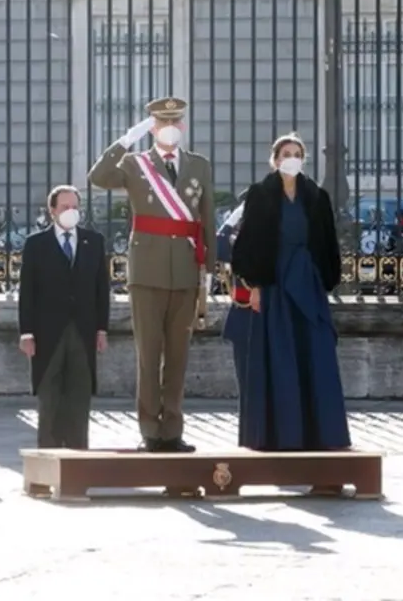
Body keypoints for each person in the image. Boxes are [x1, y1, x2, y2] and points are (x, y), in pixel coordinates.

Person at [87, 96, 216, 452]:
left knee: (178, 356)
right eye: (161, 123)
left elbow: (207, 218)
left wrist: (208, 270)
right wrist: (127, 139)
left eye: (174, 122)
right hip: (146, 272)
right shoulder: (134, 164)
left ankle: (172, 428)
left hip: (186, 270)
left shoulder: (199, 166)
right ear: (153, 129)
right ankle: (149, 429)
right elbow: (97, 177)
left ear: (183, 126)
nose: (169, 128)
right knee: (149, 355)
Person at [231, 134, 350, 473]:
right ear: (275, 158)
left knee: (315, 352)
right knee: (278, 355)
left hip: (307, 283)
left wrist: (322, 279)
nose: (292, 158)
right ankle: (277, 434)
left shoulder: (317, 196)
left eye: (297, 154)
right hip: (273, 284)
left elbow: (329, 244)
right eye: (286, 153)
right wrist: (253, 284)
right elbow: (247, 244)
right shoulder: (260, 195)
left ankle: (319, 431)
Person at [18, 185, 110, 449]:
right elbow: (27, 292)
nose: (70, 212)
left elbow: (101, 289)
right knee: (50, 398)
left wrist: (102, 329)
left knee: (79, 397)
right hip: (48, 333)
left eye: (74, 207)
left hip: (83, 330)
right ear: (52, 211)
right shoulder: (36, 244)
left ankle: (77, 458)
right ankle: (48, 457)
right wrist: (26, 333)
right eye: (64, 207)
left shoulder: (94, 241)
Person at [216, 190, 255, 439]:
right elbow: (219, 246)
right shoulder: (237, 239)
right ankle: (249, 434)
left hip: (273, 317)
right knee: (247, 384)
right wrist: (236, 215)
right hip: (244, 316)